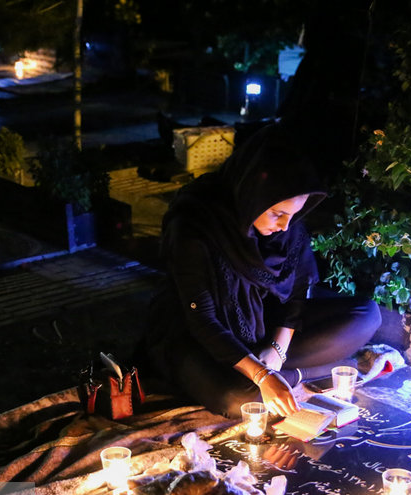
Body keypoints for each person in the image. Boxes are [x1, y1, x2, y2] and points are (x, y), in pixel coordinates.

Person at [143, 123, 381, 418]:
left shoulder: (287, 230)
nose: (284, 225)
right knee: (243, 400)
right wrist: (262, 376)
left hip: (262, 327)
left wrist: (277, 351)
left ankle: (288, 372)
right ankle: (306, 373)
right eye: (277, 214)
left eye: (293, 215)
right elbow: (203, 320)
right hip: (196, 334)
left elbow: (296, 297)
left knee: (367, 314)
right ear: (252, 193)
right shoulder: (196, 225)